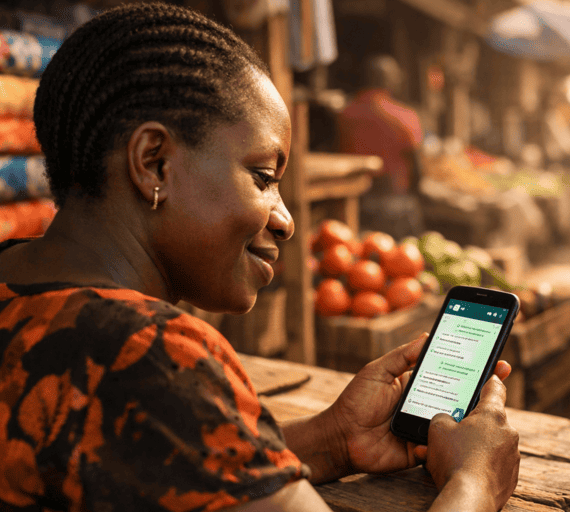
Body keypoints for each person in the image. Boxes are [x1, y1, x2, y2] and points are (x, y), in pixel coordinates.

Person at [0, 4, 520, 511]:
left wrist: (334, 441)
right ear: (153, 163)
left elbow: (149, 455)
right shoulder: (150, 353)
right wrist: (475, 481)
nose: (287, 219)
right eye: (264, 178)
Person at [336, 55, 424, 240]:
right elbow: (417, 167)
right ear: (390, 81)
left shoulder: (345, 114)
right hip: (395, 205)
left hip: (353, 203)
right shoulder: (404, 117)